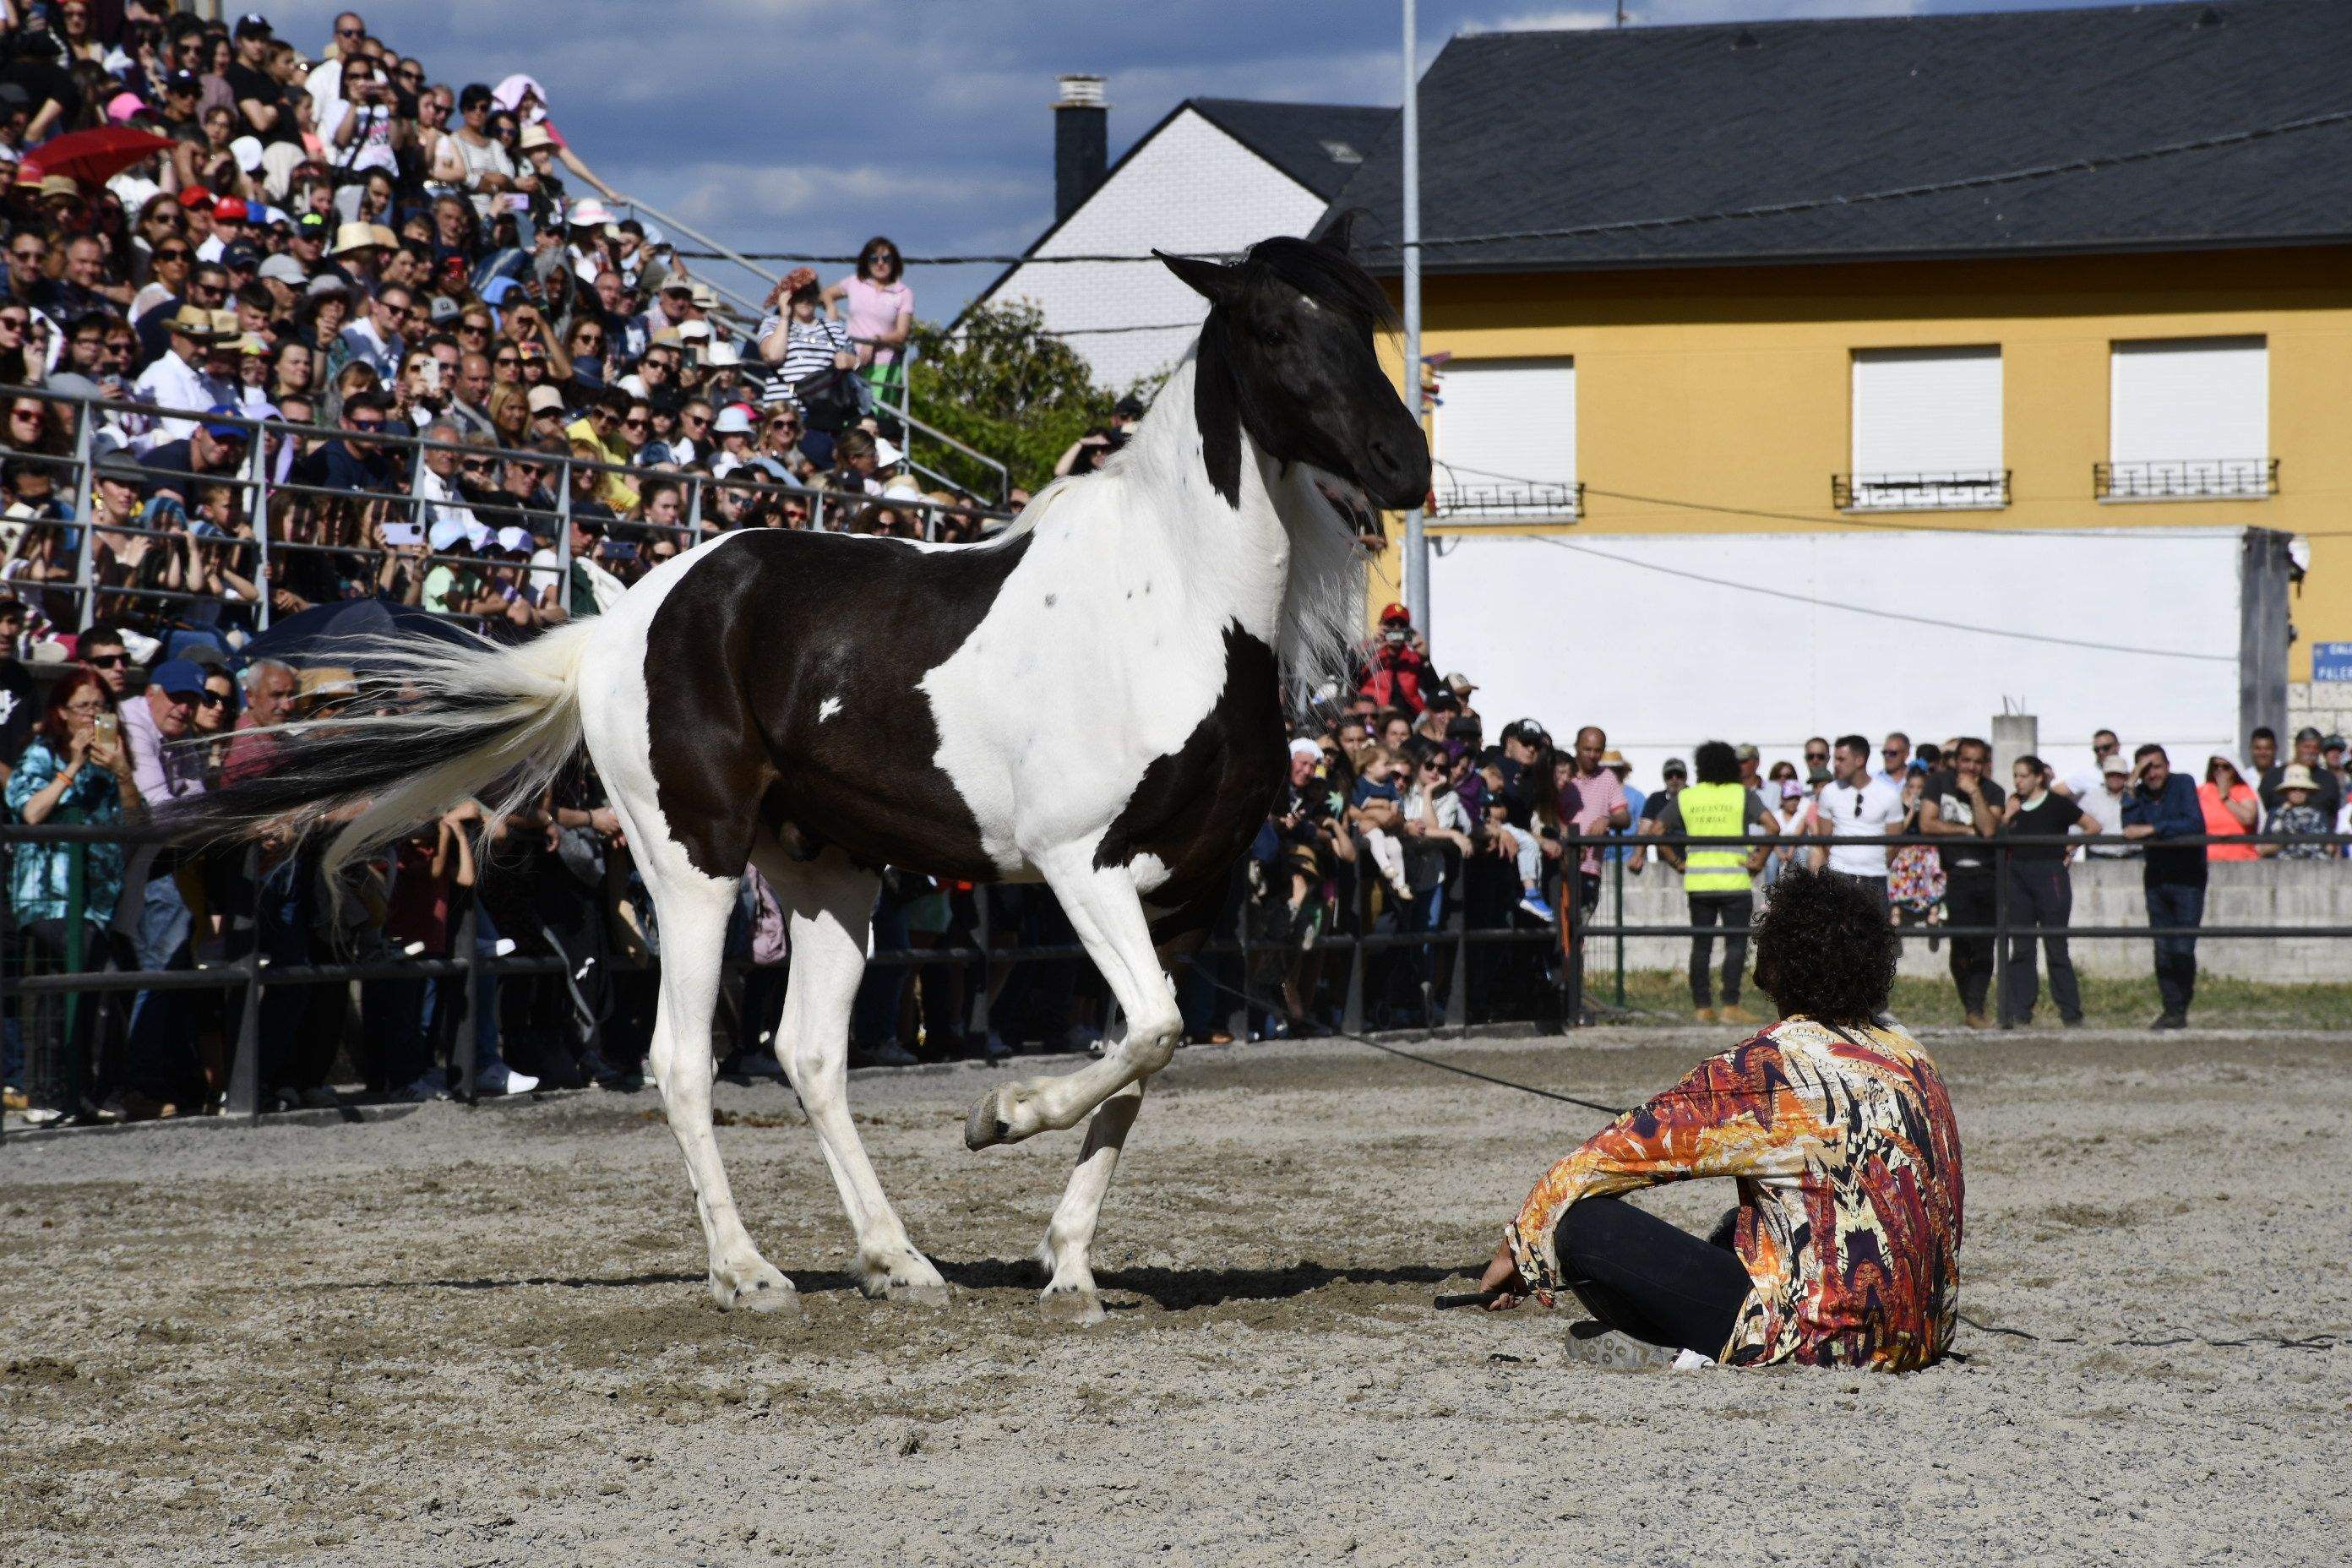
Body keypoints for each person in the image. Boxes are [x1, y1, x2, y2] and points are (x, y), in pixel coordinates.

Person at [1476, 864, 1962, 1372]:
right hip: (1922, 1333)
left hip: (1820, 1339)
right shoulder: (1911, 1053)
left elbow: (1610, 1156)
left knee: (1581, 1225)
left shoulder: (1769, 1067)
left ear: (1772, 964)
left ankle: (1682, 1348)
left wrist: (1522, 1246)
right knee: (1740, 1225)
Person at [5, 669, 135, 1122]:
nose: (92, 716)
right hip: (46, 895)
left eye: (99, 706)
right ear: (61, 712)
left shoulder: (113, 760)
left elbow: (135, 823)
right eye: (83, 707)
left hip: (97, 899)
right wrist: (73, 766)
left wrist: (121, 774)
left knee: (98, 984)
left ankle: (90, 1091)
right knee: (60, 986)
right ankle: (48, 1093)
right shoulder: (41, 755)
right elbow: (29, 812)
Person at [1652, 740, 1769, 1025]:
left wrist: (1677, 862)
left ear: (1700, 766)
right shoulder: (1742, 795)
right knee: (1735, 945)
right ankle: (1731, 1005)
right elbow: (1774, 827)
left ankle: (1702, 1007)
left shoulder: (1687, 797)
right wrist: (1759, 858)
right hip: (1735, 881)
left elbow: (1657, 830)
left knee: (1701, 945)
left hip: (1699, 882)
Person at [1997, 756, 2104, 1028]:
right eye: (2015, 776)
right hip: (2018, 875)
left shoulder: (2057, 804)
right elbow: (1995, 837)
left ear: (2038, 778)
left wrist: (2072, 846)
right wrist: (2008, 815)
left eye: (2023, 776)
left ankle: (2070, 1013)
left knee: (2056, 946)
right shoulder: (2014, 804)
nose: (2018, 781)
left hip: (2049, 875)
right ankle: (2020, 1010)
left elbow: (2093, 826)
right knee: (2022, 946)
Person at [1917, 736, 2005, 1029]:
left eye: (1978, 762)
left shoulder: (1993, 791)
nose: (1971, 767)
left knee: (1984, 944)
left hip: (1989, 874)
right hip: (1955, 874)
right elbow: (1927, 824)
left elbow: (1990, 829)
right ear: (1956, 760)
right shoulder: (1938, 784)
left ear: (1985, 764)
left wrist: (1975, 793)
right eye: (1966, 760)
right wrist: (1968, 831)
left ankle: (1976, 1008)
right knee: (1960, 943)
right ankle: (1969, 1002)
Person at [2121, 744, 2206, 1031]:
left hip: (2187, 877)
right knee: (2162, 948)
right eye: (2145, 769)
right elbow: (2129, 827)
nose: (2152, 774)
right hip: (2156, 878)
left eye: (2156, 766)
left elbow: (2194, 823)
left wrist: (2153, 829)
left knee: (2182, 947)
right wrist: (2130, 785)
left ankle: (2180, 1006)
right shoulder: (2139, 793)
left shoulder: (2183, 783)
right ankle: (2172, 1008)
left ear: (2167, 766)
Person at [1810, 733, 1904, 909]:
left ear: (1859, 760)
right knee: (1837, 934)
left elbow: (1894, 842)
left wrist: (1874, 863)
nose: (1835, 764)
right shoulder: (1829, 792)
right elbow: (1825, 837)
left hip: (1875, 876)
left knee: (1874, 934)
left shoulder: (1888, 794)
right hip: (1839, 875)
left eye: (1841, 759)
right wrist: (1842, 862)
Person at [1562, 726, 1629, 912]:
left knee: (1580, 928)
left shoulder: (1607, 778)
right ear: (1576, 747)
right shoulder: (1563, 774)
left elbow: (1624, 816)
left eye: (1598, 750)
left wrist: (1607, 820)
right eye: (1587, 749)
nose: (1592, 755)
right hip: (1561, 865)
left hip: (1590, 867)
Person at [2257, 765, 2333, 860]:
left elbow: (2330, 846)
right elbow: (2262, 847)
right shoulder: (2275, 814)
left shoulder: (2319, 814)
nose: (2298, 792)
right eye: (2293, 788)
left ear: (2308, 791)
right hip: (2281, 866)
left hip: (2313, 866)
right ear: (2286, 791)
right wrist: (2281, 845)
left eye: (2302, 789)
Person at [2197, 754, 2260, 862]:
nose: (2220, 770)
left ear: (2234, 769)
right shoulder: (2203, 790)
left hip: (2241, 861)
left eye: (2225, 767)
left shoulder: (2244, 790)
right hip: (2209, 861)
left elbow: (2248, 818)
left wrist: (2225, 798)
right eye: (2216, 766)